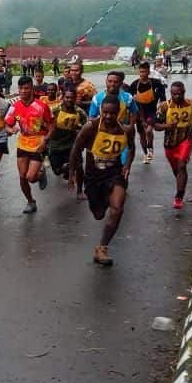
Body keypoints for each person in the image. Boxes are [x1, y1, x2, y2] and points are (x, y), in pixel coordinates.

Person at [71, 97, 136, 267]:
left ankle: (102, 248)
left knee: (117, 209)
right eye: (105, 112)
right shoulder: (90, 127)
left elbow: (132, 148)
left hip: (115, 175)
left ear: (118, 113)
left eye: (112, 113)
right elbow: (76, 149)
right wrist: (72, 172)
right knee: (99, 214)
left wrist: (127, 165)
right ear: (101, 111)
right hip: (94, 178)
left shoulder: (127, 130)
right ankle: (104, 200)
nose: (108, 116)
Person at [154, 82, 192, 209]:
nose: (177, 96)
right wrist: (167, 126)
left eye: (180, 93)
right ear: (170, 93)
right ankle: (180, 184)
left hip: (186, 139)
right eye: (174, 94)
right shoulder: (164, 106)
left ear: (184, 92)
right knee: (177, 170)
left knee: (182, 165)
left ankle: (179, 196)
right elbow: (156, 125)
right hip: (170, 143)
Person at [5, 76, 53, 213]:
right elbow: (7, 125)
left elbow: (51, 125)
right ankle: (31, 202)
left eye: (26, 88)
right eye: (21, 88)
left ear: (32, 89)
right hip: (22, 144)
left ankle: (40, 173)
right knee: (22, 177)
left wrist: (46, 140)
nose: (23, 91)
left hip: (38, 143)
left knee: (31, 177)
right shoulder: (14, 107)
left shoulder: (42, 106)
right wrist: (11, 130)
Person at [47, 86, 84, 196]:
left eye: (72, 97)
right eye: (67, 97)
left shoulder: (79, 112)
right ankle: (67, 169)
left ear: (75, 98)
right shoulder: (55, 111)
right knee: (57, 171)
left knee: (79, 167)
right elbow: (46, 125)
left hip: (71, 144)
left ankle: (80, 191)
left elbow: (86, 127)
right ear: (63, 97)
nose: (69, 100)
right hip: (55, 145)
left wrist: (78, 129)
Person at [127, 62, 166, 162]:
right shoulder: (134, 85)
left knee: (148, 130)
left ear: (149, 72)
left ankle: (150, 148)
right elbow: (129, 101)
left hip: (153, 111)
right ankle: (146, 154)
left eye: (144, 71)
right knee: (142, 134)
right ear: (138, 72)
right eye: (141, 72)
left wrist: (162, 108)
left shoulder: (156, 83)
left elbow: (163, 100)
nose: (142, 74)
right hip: (139, 112)